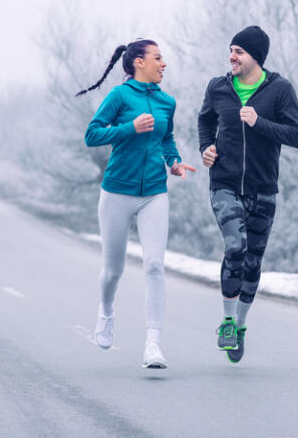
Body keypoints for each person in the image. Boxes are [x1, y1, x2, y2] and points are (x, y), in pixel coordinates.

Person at [79, 39, 195, 369]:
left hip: (154, 193)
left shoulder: (166, 102)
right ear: (138, 63)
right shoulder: (119, 96)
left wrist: (174, 161)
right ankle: (106, 311)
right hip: (116, 192)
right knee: (113, 270)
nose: (164, 64)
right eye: (158, 58)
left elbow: (166, 138)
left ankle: (153, 345)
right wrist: (129, 128)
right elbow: (92, 135)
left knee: (155, 265)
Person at [197, 25, 298, 363]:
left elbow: (297, 134)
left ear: (255, 57)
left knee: (254, 261)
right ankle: (227, 322)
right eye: (230, 50)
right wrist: (206, 148)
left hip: (263, 188)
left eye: (238, 51)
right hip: (225, 183)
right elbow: (205, 121)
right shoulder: (218, 87)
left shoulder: (280, 90)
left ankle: (240, 327)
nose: (231, 56)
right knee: (235, 246)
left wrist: (260, 122)